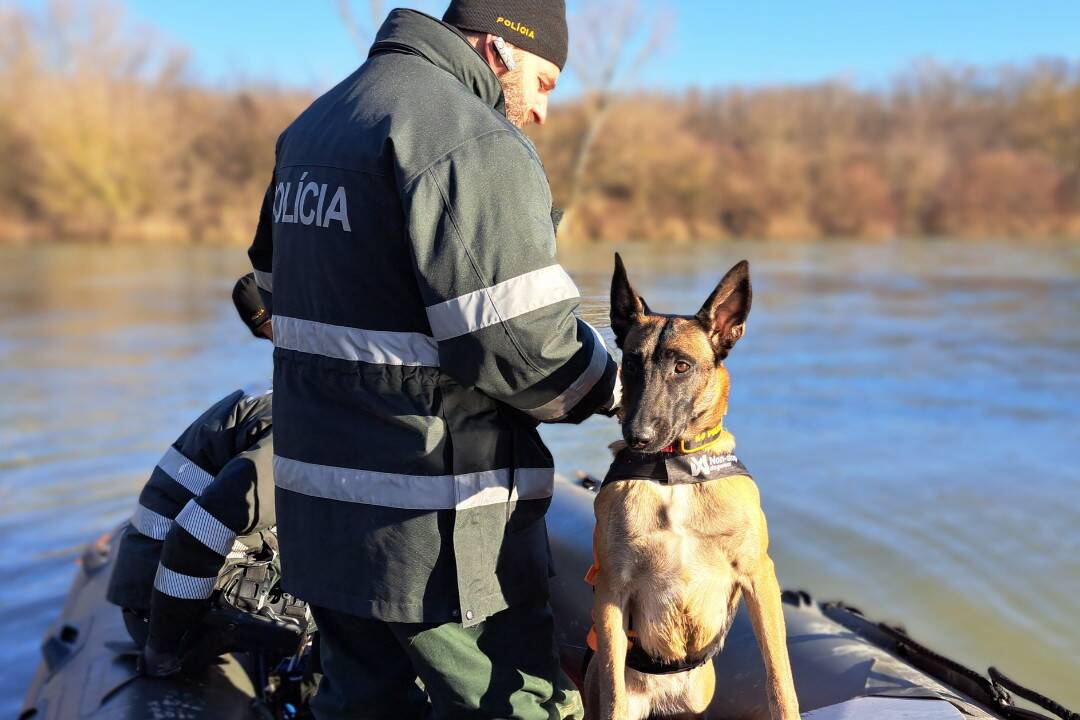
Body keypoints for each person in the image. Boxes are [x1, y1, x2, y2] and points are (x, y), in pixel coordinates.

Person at [247, 2, 620, 718]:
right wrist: (617, 384)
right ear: (499, 49)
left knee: (361, 703)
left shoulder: (316, 126)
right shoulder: (467, 138)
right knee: (520, 707)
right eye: (543, 83)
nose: (542, 112)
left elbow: (269, 294)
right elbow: (524, 347)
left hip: (322, 519)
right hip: (435, 536)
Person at [107, 274, 277, 676]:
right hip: (162, 607)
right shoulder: (291, 421)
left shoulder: (272, 396)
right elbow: (196, 532)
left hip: (145, 580)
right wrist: (163, 652)